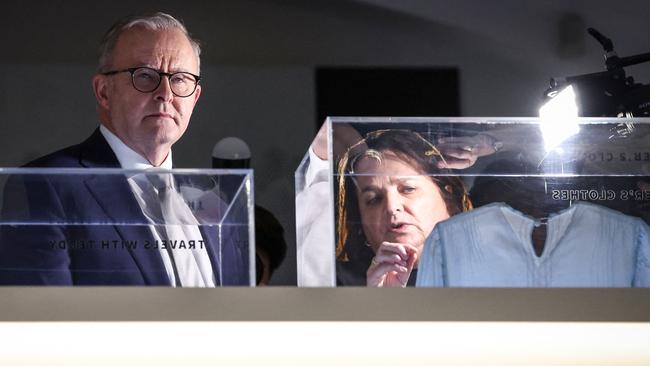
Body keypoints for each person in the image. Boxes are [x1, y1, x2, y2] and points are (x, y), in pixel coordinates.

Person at [0, 12, 247, 286]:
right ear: (104, 91)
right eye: (144, 75)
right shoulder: (46, 186)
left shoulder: (215, 201)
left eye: (179, 79)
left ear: (195, 97)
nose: (165, 93)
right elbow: (44, 319)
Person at [335, 129, 472, 286]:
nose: (392, 207)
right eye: (374, 199)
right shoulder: (337, 281)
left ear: (448, 199)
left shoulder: (492, 263)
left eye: (408, 189)